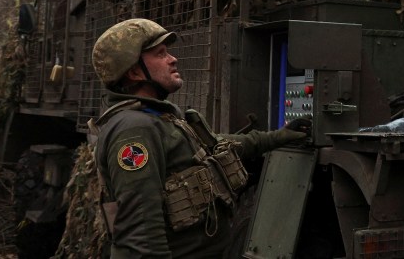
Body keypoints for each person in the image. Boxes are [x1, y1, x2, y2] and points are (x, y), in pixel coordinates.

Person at [89, 18, 311, 258]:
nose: (173, 59)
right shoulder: (134, 131)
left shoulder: (159, 118)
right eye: (160, 54)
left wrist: (279, 136)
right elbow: (141, 235)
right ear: (134, 72)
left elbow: (218, 146)